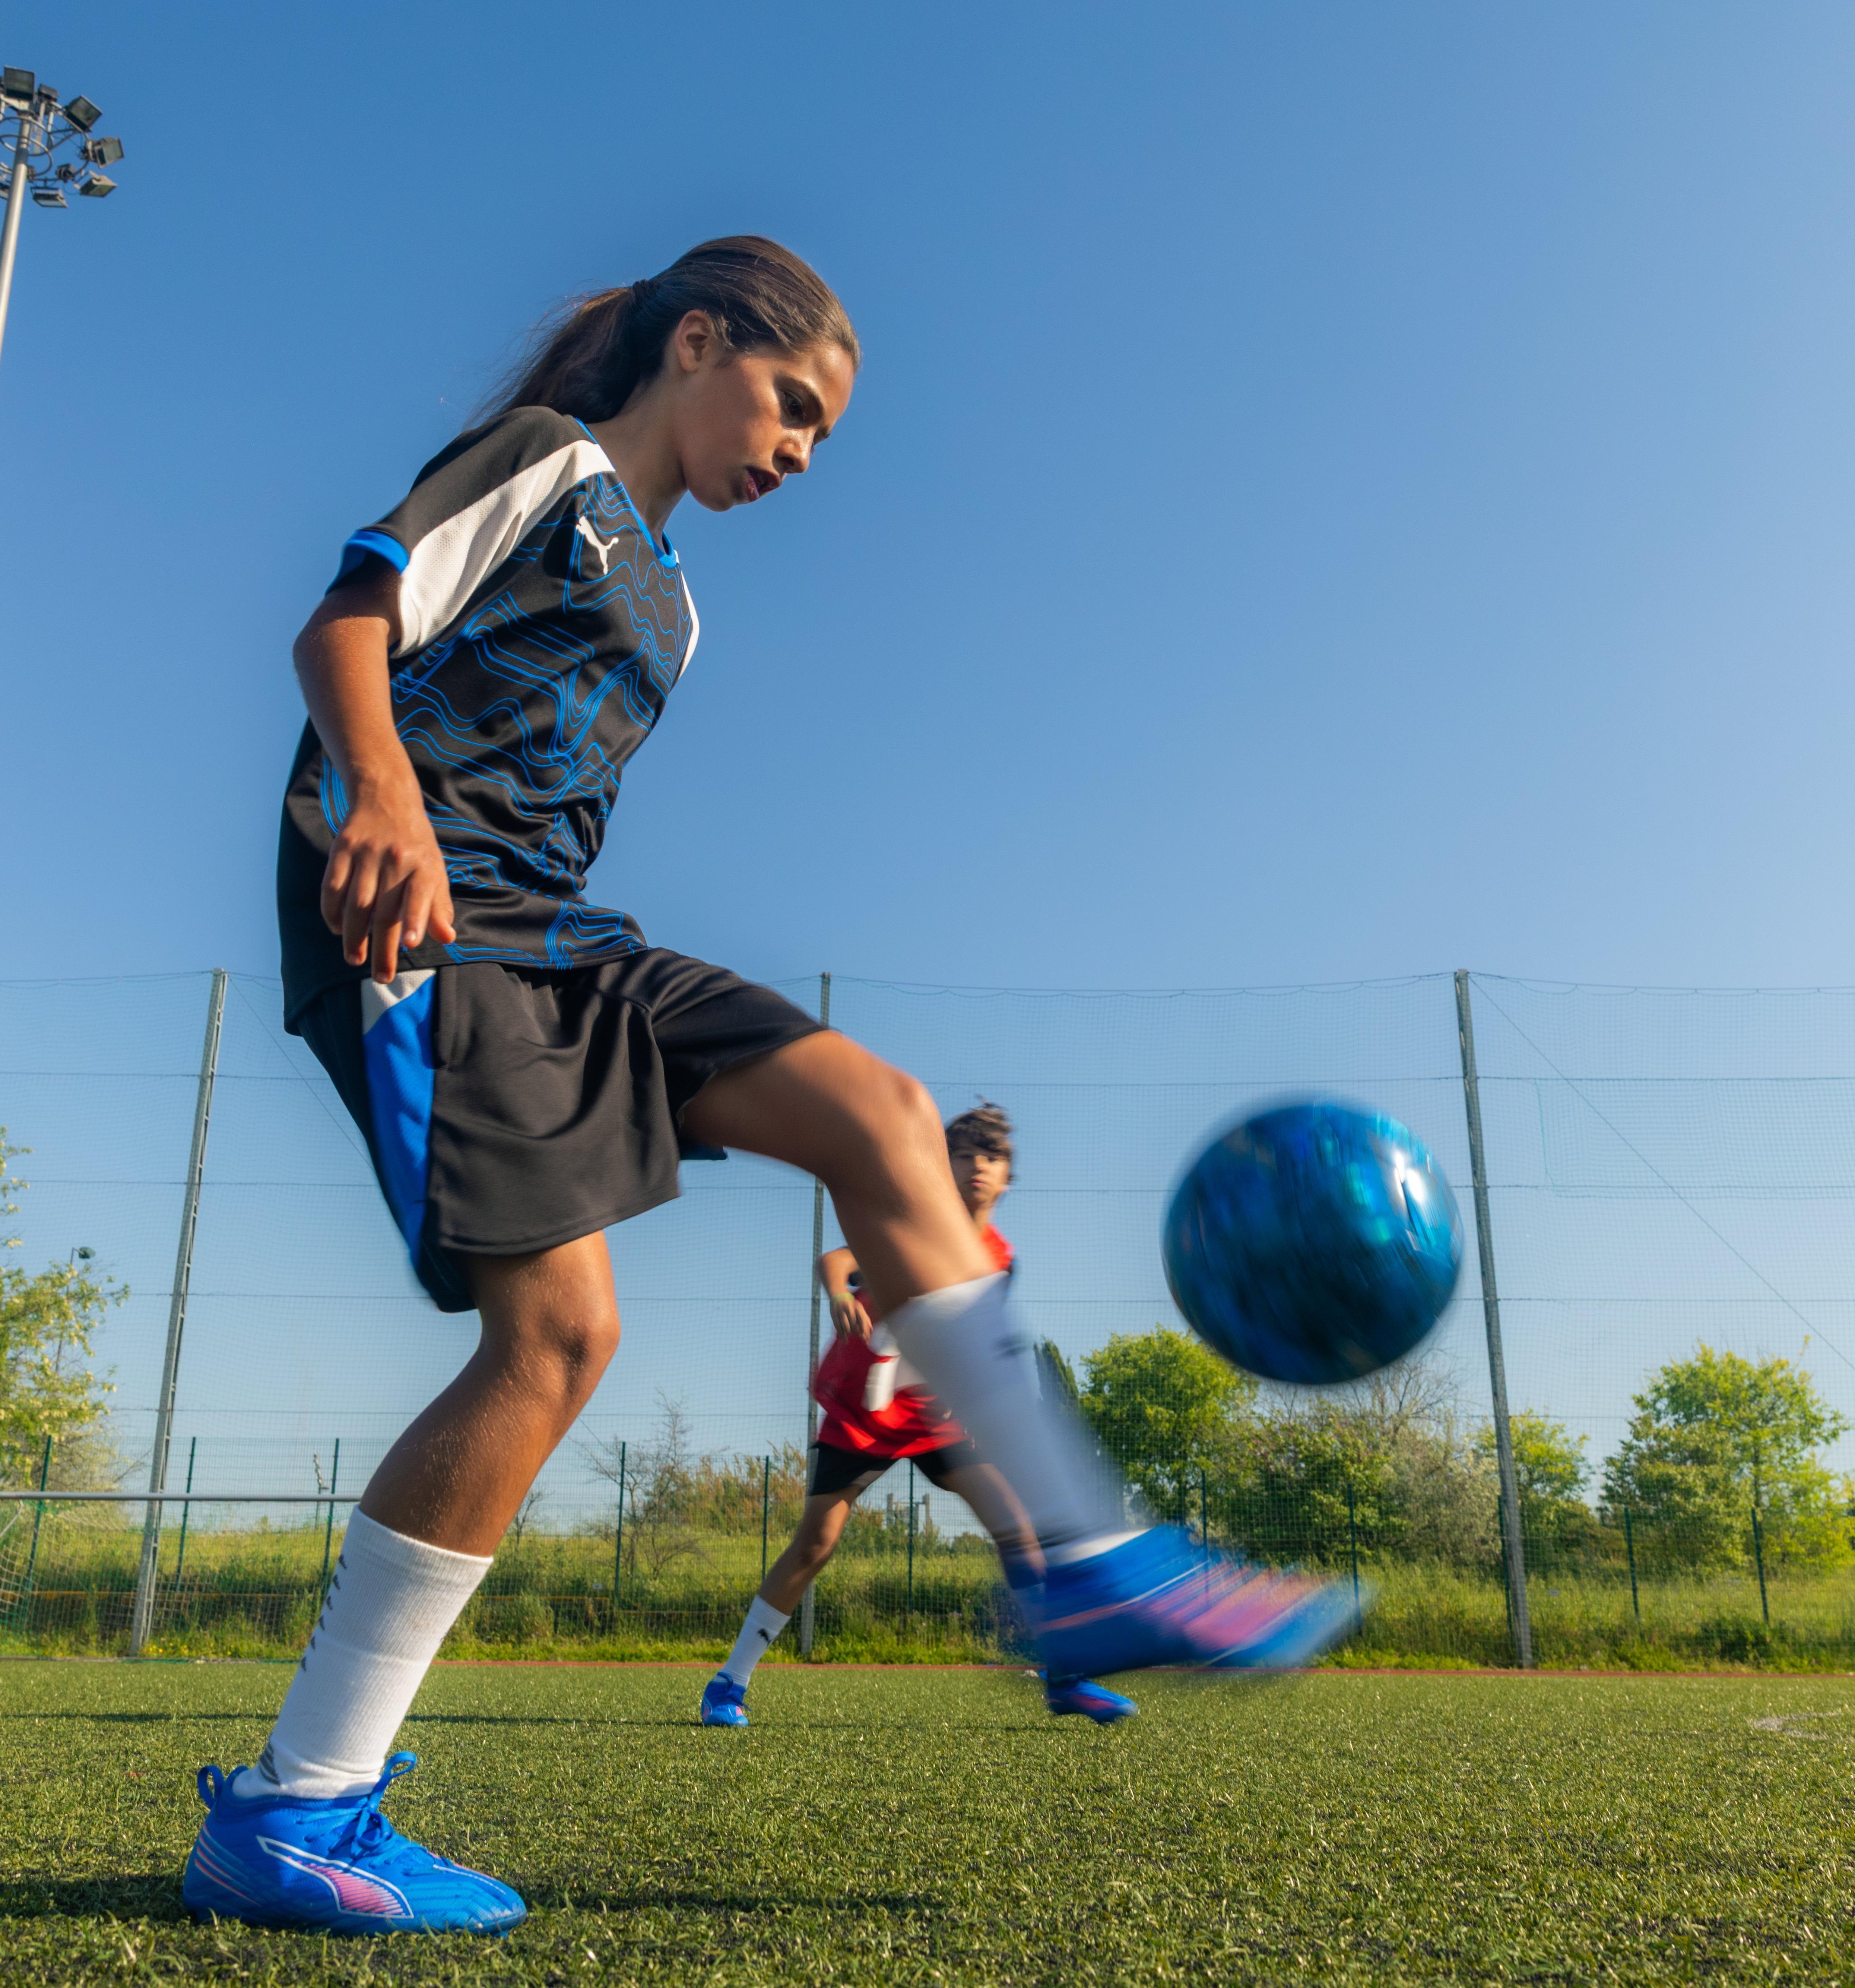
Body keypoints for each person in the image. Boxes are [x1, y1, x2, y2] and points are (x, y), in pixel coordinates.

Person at [181, 236, 1359, 1940]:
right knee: (554, 1344)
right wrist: (379, 795)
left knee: (884, 1115)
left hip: (565, 938)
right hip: (424, 921)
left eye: (823, 435)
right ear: (698, 341)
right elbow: (346, 621)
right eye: (792, 406)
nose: (799, 451)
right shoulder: (547, 463)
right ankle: (294, 1812)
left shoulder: (678, 601)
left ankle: (1080, 1563)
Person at [699, 1102, 1135, 1728]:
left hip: (937, 1416)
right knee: (815, 1545)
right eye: (965, 1154)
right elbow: (837, 1262)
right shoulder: (912, 1223)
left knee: (1017, 1528)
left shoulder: (1000, 1259)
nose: (979, 1166)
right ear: (942, 1166)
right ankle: (728, 1684)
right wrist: (838, 1296)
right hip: (864, 1409)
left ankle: (1064, 1677)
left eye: (993, 1156)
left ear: (1008, 1176)